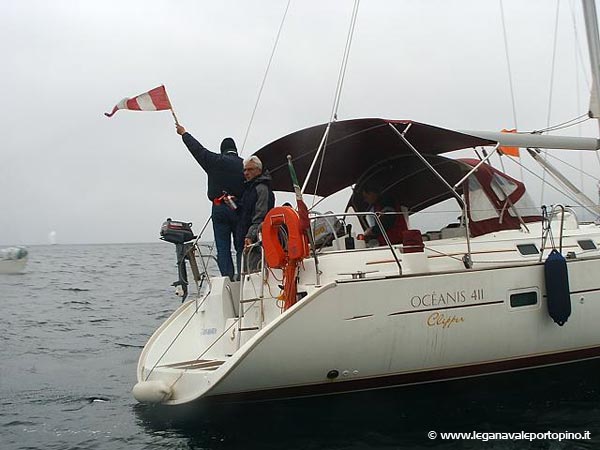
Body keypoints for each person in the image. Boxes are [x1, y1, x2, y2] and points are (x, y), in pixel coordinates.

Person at [176, 124, 244, 280]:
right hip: (239, 208)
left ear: (222, 149)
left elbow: (197, 149)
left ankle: (228, 279)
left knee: (223, 247)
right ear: (235, 150)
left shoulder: (215, 161)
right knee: (240, 246)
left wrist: (184, 134)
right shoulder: (244, 165)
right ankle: (243, 277)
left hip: (219, 208)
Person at [237, 155, 275, 272]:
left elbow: (260, 216)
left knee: (254, 273)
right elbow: (246, 211)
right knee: (247, 272)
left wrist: (250, 235)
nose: (246, 173)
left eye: (250, 169)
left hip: (256, 240)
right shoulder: (250, 189)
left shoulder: (261, 189)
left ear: (258, 170)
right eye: (245, 170)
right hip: (247, 238)